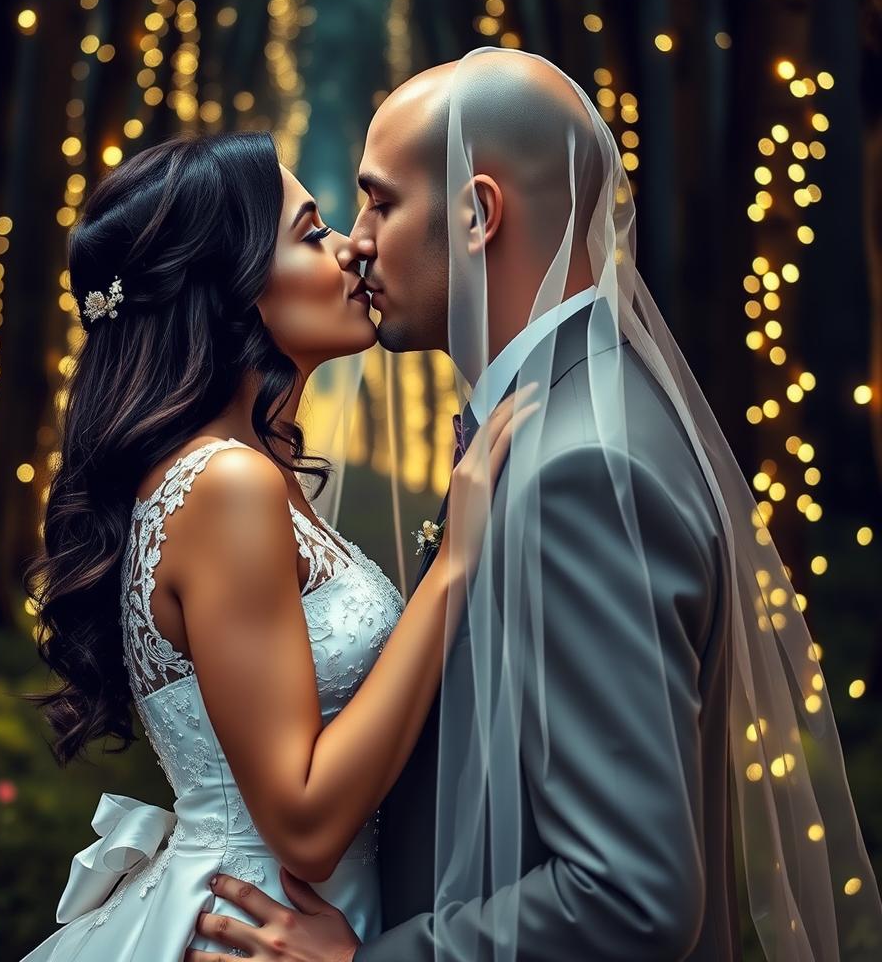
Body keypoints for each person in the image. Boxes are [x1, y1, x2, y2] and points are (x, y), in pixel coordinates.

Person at [195, 50, 882, 961]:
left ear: (478, 213)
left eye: (381, 202)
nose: (356, 241)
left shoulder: (580, 468)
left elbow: (632, 895)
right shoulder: (569, 413)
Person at [18, 130, 534, 961]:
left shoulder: (253, 473)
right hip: (258, 928)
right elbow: (304, 822)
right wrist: (456, 561)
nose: (353, 248)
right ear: (231, 288)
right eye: (313, 232)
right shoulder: (229, 486)